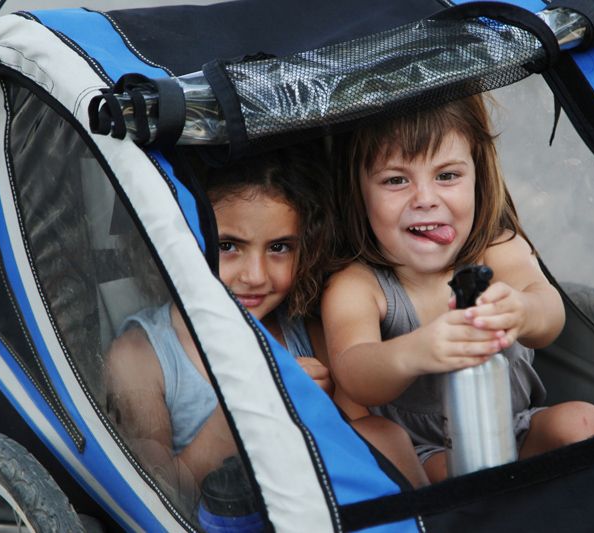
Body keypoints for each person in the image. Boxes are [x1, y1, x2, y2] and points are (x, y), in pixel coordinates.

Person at [104, 145, 428, 514]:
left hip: (316, 511)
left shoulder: (305, 333)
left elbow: (359, 448)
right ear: (180, 238)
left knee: (384, 436)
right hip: (224, 518)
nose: (255, 276)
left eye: (278, 248)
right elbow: (158, 495)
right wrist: (247, 411)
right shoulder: (142, 356)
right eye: (228, 246)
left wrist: (316, 408)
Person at [322, 94, 594, 484]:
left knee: (584, 420)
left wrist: (523, 310)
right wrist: (416, 351)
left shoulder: (497, 249)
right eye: (396, 180)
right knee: (463, 477)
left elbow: (549, 316)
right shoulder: (359, 284)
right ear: (358, 194)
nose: (425, 200)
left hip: (516, 428)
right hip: (426, 455)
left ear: (478, 176)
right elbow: (354, 371)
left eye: (447, 176)